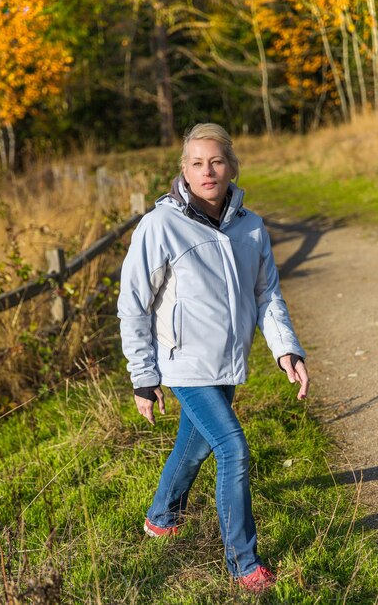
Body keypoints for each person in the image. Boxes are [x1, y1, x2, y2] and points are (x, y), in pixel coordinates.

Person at [117, 123, 309, 593]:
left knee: (197, 443)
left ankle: (162, 517)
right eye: (197, 162)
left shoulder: (251, 227)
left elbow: (267, 295)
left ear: (231, 167)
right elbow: (133, 303)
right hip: (182, 363)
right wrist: (143, 375)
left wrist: (285, 349)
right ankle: (244, 563)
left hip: (229, 362)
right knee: (232, 449)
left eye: (216, 161)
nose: (208, 171)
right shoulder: (160, 225)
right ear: (184, 169)